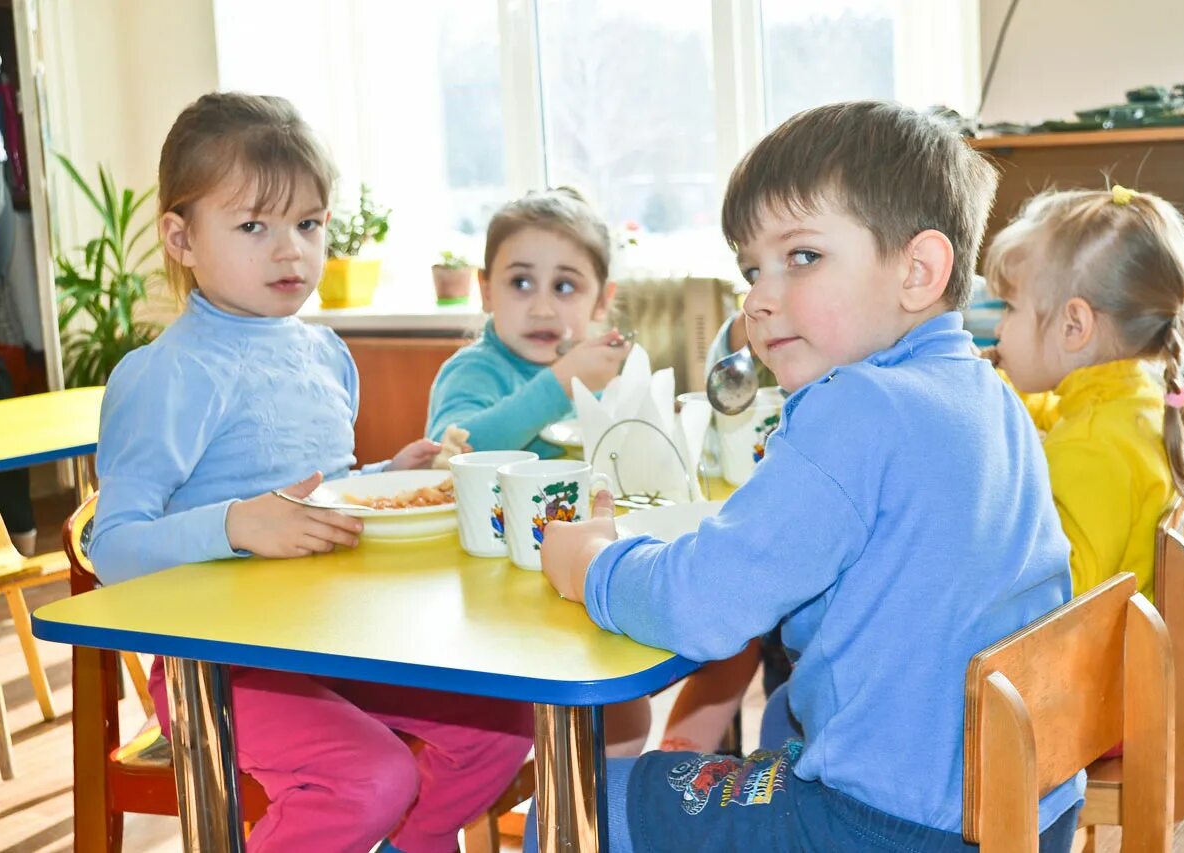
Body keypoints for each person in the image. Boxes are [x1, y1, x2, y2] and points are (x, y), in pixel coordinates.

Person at [533, 100, 1081, 852]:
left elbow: (704, 604)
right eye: (751, 268)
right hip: (1028, 810)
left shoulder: (856, 406)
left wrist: (591, 563)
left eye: (801, 257)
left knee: (574, 805)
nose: (759, 298)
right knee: (779, 714)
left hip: (888, 828)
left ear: (918, 271)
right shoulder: (989, 394)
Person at [90, 92, 531, 853]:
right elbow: (113, 546)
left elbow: (320, 485)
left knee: (500, 728)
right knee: (370, 776)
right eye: (254, 226)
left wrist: (389, 474)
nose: (290, 250)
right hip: (219, 663)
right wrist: (236, 524)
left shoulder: (324, 352)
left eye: (308, 223)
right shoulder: (163, 375)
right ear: (181, 237)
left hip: (337, 636)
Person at [985, 184, 1184, 601]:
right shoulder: (1131, 403)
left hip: (1093, 663)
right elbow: (1053, 413)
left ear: (1074, 326)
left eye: (1010, 308)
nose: (999, 328)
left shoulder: (1091, 447)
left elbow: (1058, 603)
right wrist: (989, 388)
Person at [426, 187, 630, 458]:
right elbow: (447, 457)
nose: (542, 310)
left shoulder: (598, 377)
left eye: (564, 286)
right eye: (520, 283)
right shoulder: (472, 373)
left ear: (601, 301)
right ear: (487, 292)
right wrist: (558, 387)